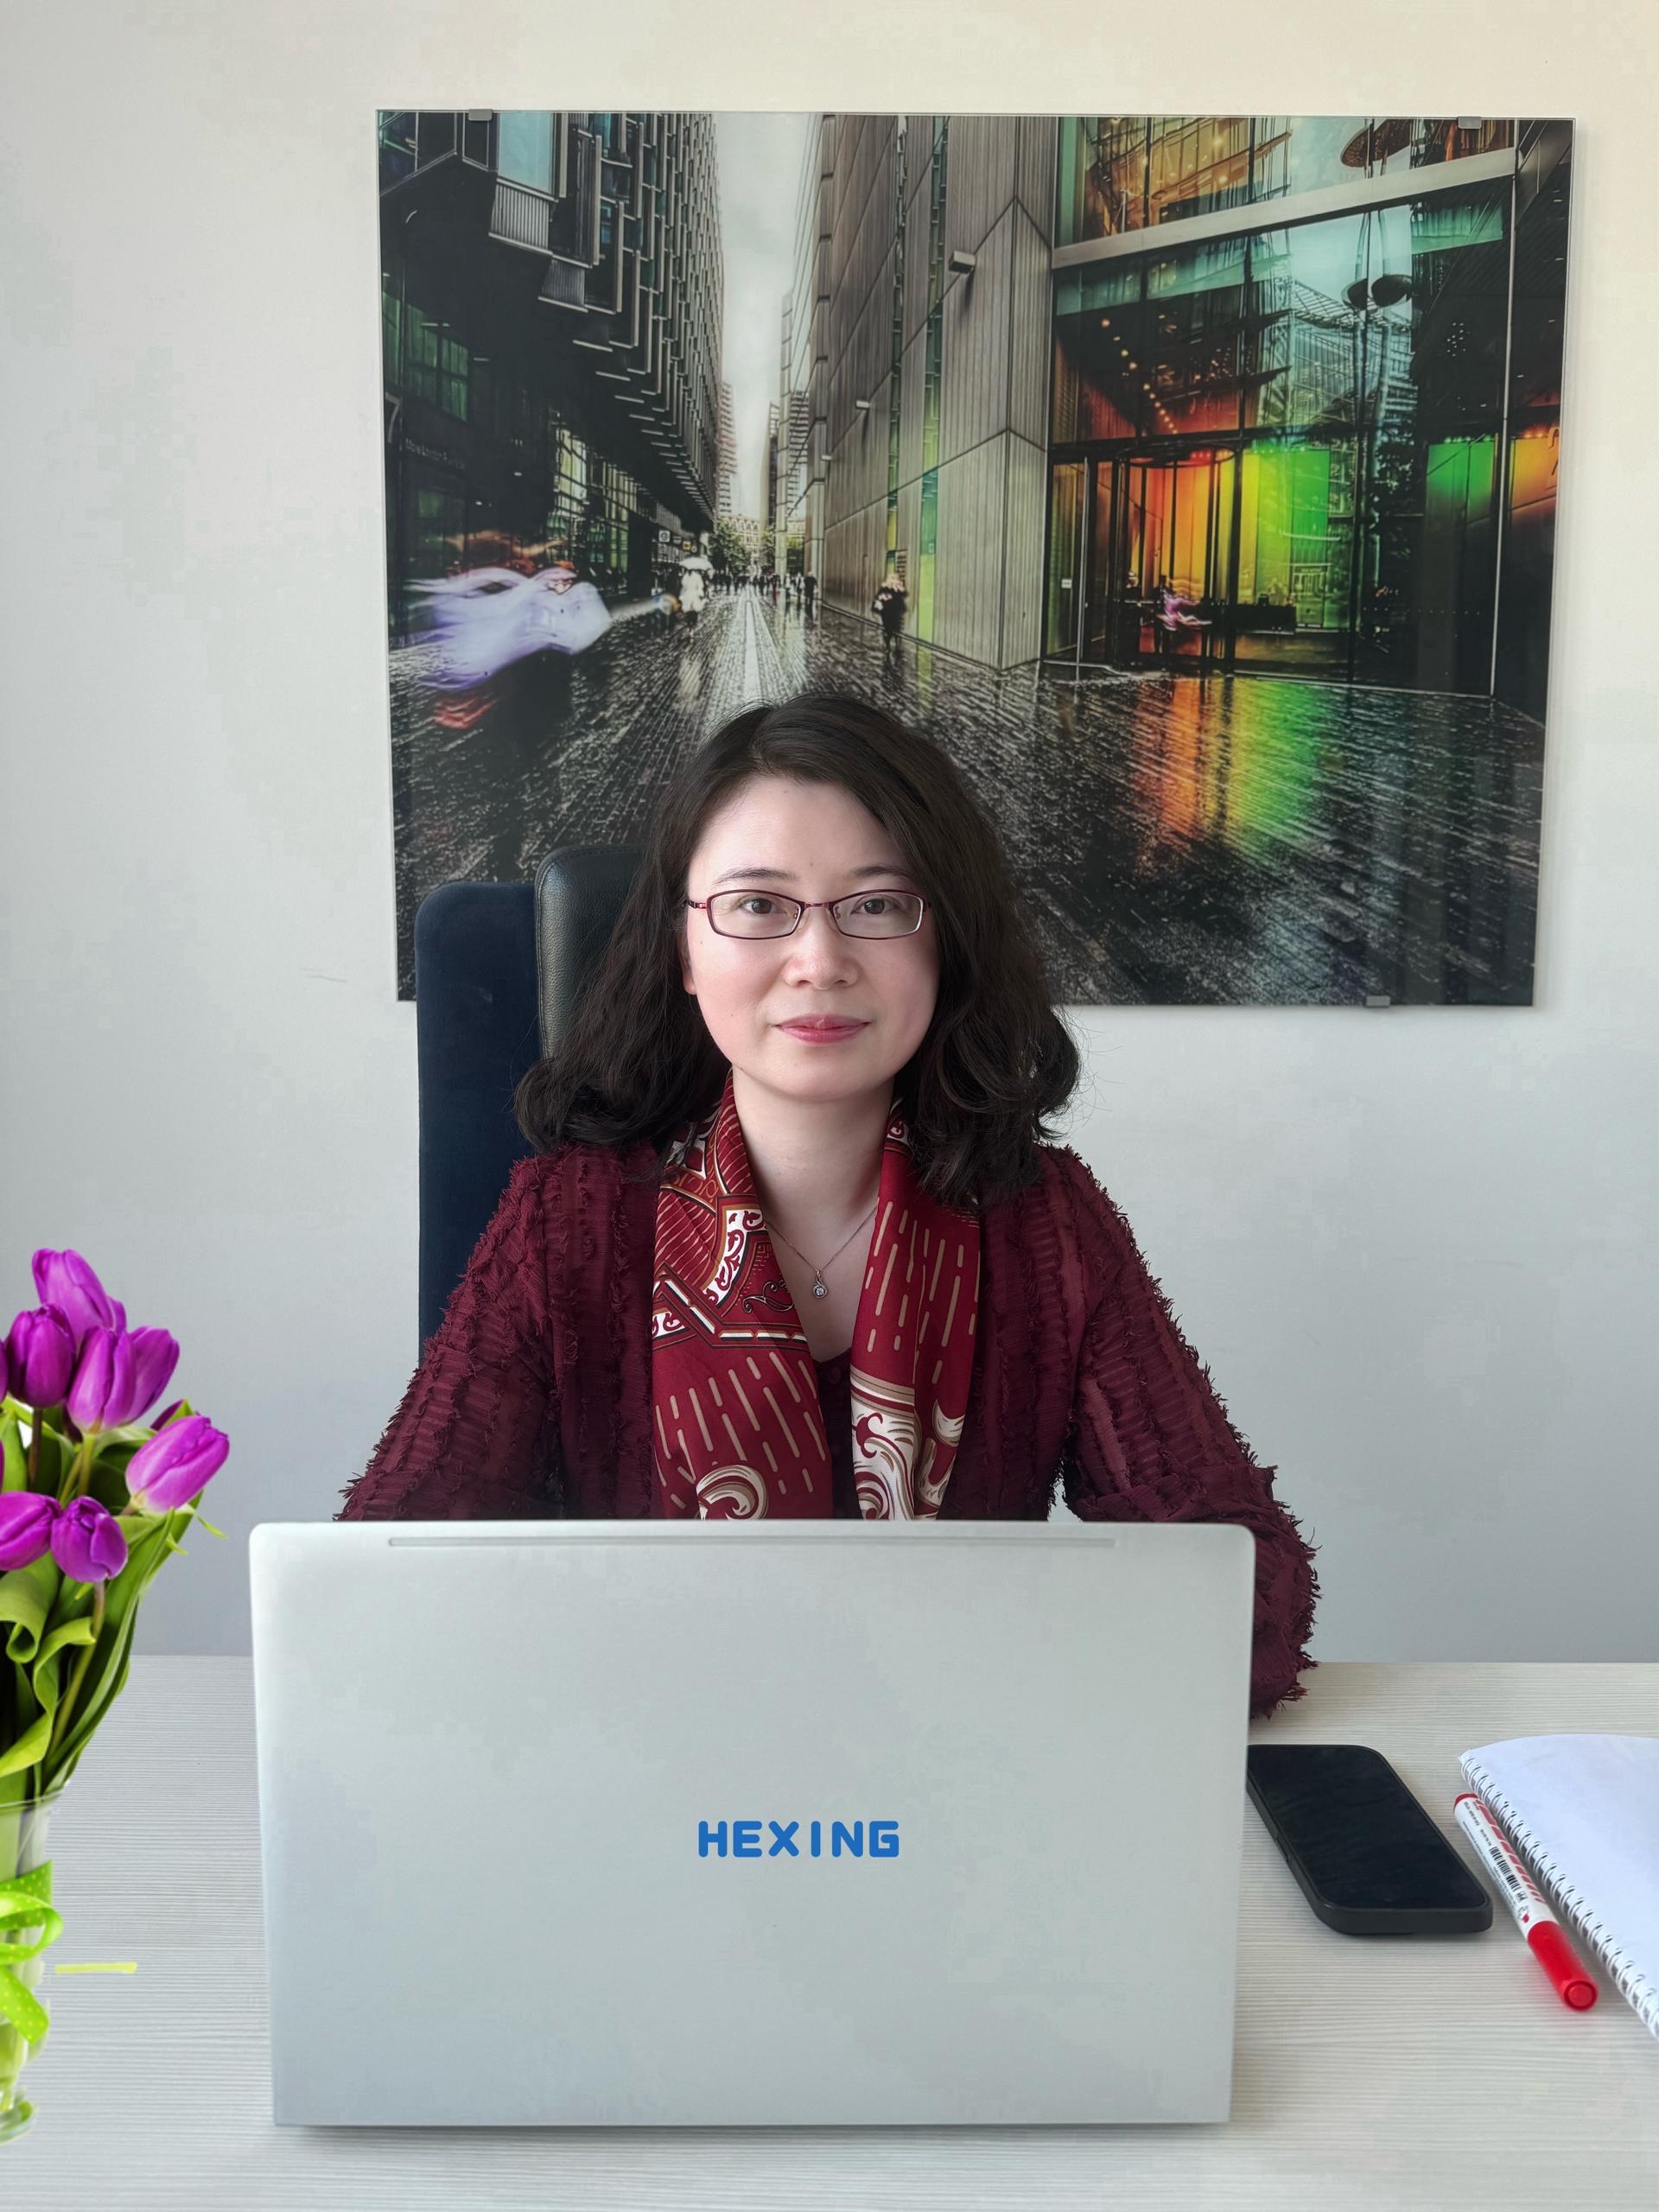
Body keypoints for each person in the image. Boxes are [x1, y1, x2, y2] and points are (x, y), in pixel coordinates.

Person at [338, 693, 1319, 1719]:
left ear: (945, 943)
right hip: (651, 1759)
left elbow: (1252, 1606)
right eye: (758, 905)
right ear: (682, 950)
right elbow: (380, 1594)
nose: (819, 960)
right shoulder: (567, 1222)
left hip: (959, 1764)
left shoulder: (1043, 1222)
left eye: (878, 904)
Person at [872, 571, 907, 665]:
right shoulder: (884, 588)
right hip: (886, 612)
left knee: (897, 628)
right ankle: (887, 645)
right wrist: (879, 604)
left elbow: (904, 595)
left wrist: (899, 588)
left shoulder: (898, 589)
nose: (893, 580)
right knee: (887, 628)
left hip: (896, 613)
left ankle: (897, 646)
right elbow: (877, 598)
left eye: (895, 578)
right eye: (891, 578)